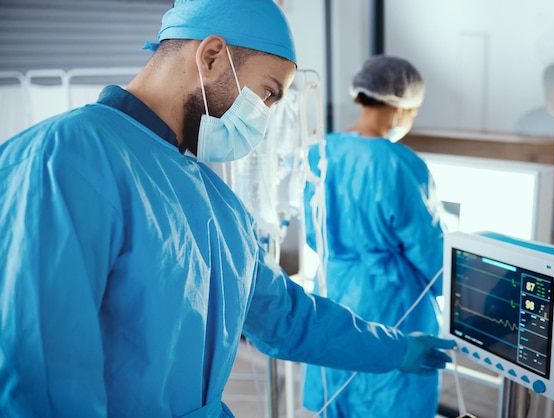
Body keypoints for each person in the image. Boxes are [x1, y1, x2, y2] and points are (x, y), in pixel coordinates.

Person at [0, 1, 456, 417]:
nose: (267, 115)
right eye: (269, 94)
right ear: (212, 56)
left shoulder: (216, 202)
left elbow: (286, 317)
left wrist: (396, 350)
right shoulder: (66, 158)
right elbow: (40, 375)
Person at [302, 55, 447, 417]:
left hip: (333, 289)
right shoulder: (400, 164)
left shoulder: (321, 152)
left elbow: (312, 232)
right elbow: (433, 254)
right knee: (389, 391)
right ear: (401, 107)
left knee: (340, 385)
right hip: (393, 301)